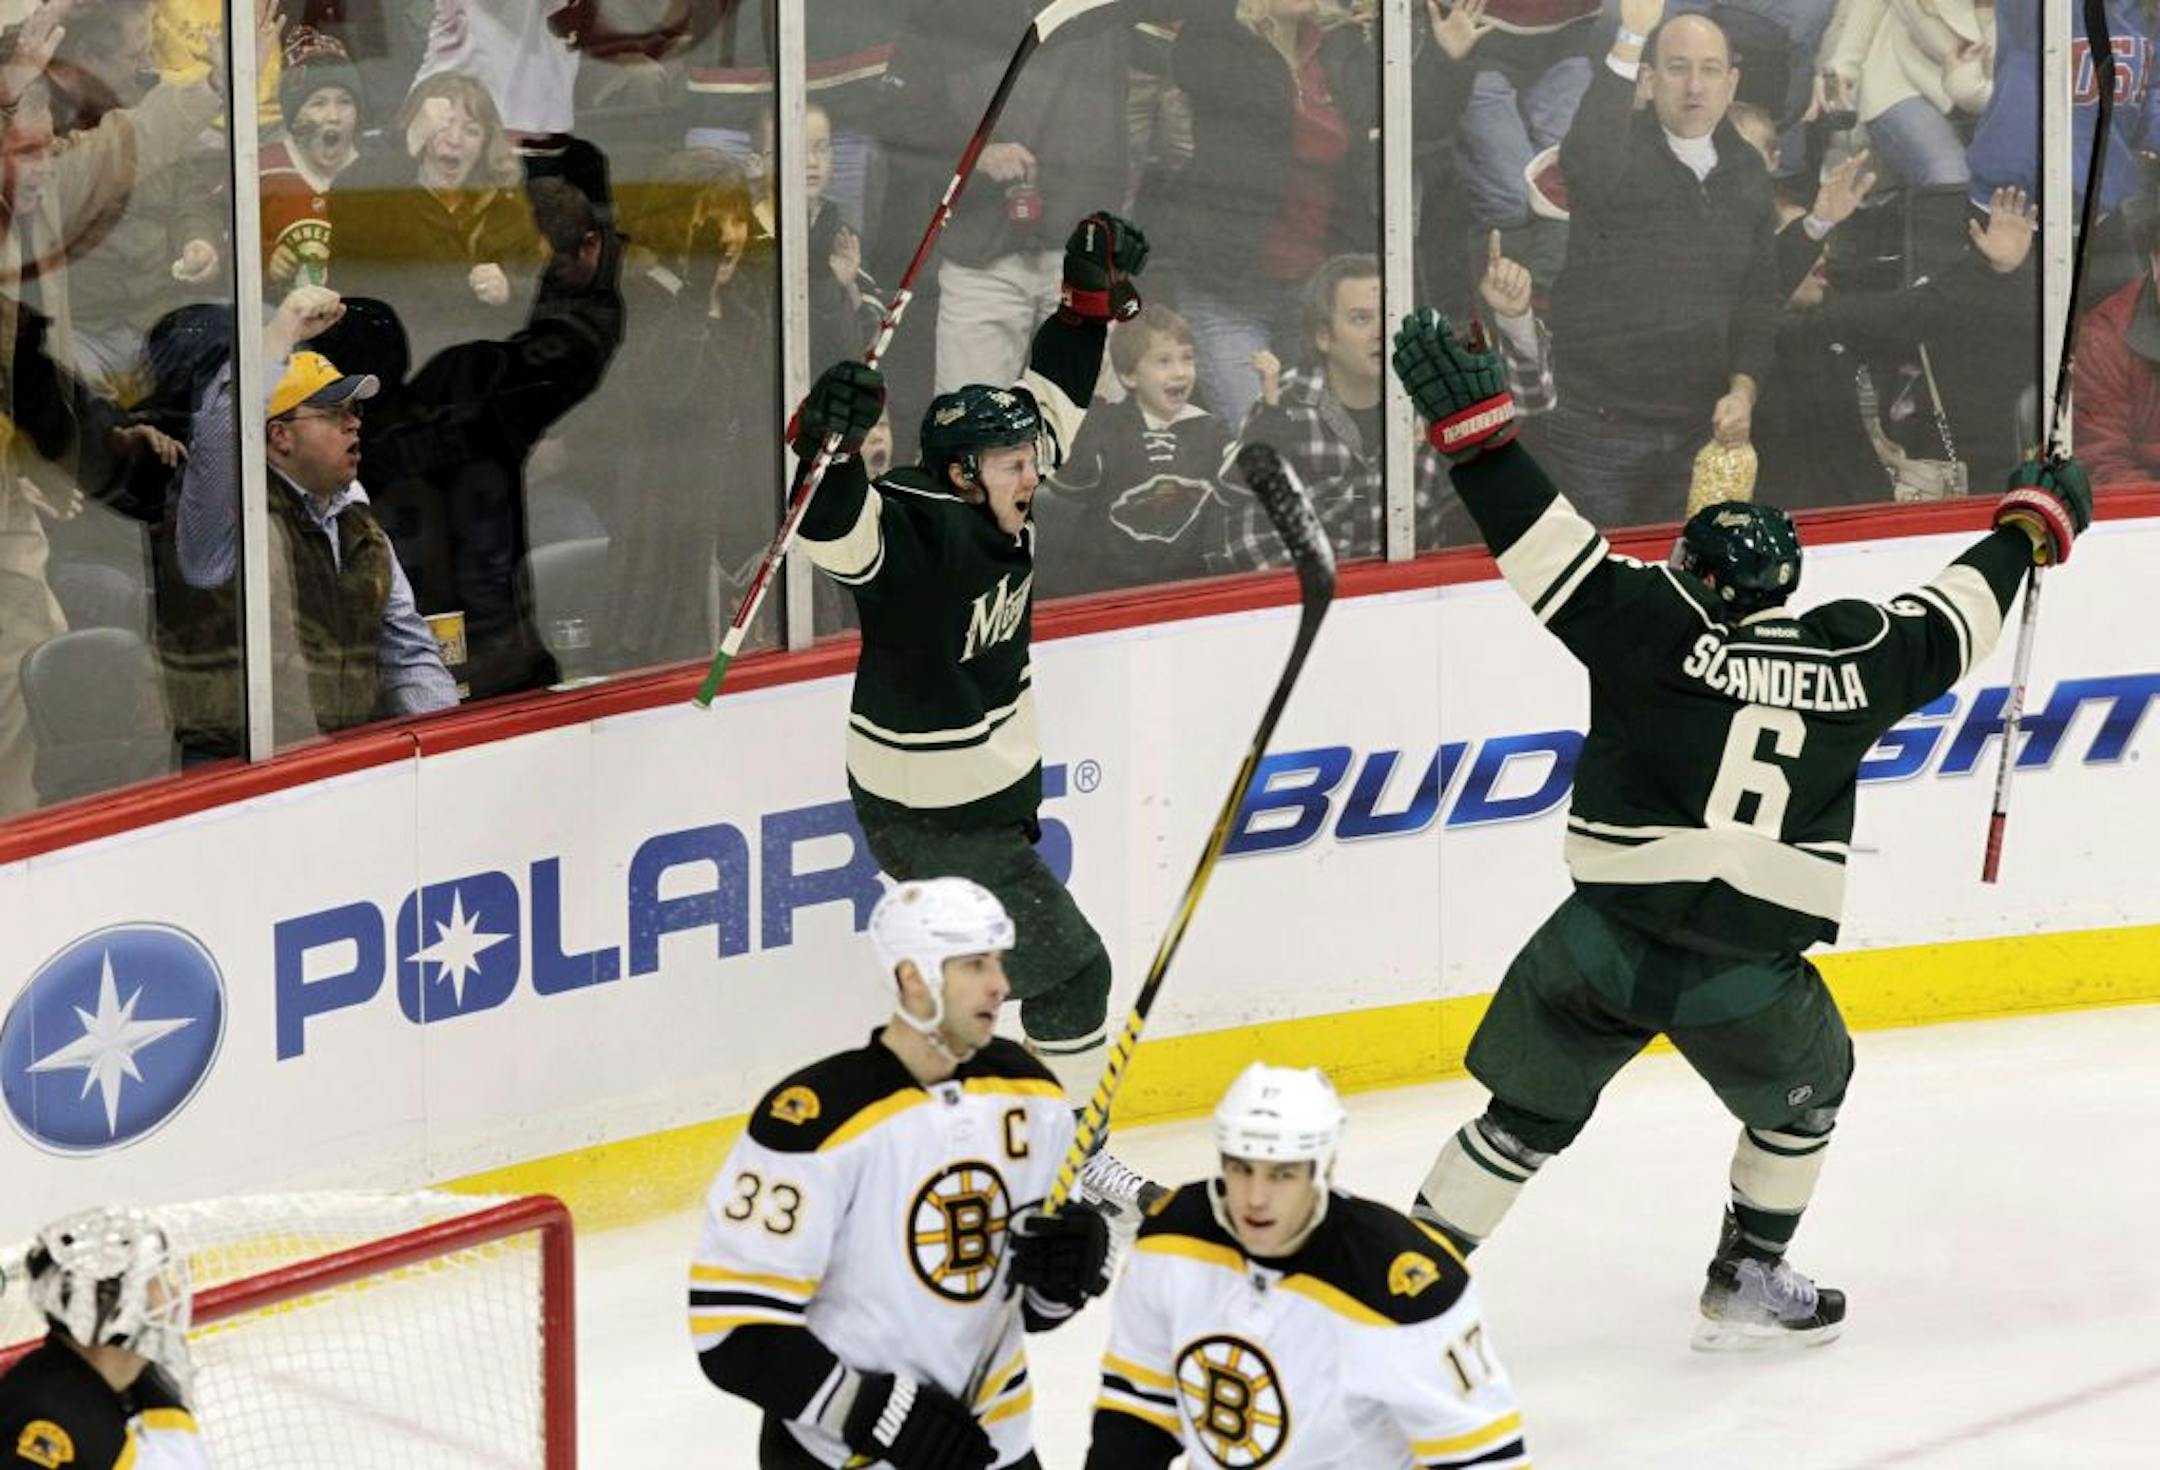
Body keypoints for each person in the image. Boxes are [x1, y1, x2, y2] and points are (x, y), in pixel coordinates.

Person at [1389, 305, 2092, 1348]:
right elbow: (1955, 616)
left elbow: (1544, 545)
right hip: (1745, 970)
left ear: (1695, 574)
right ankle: (1750, 1269)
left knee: (1518, 1124)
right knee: (1806, 1101)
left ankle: (1397, 1286)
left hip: (1606, 939)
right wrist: (2028, 528)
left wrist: (1483, 445)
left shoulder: (1649, 622)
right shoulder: (1856, 659)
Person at [792, 208, 1165, 1218]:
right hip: (930, 814)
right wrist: (825, 446)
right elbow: (833, 532)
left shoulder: (1001, 479)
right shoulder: (914, 529)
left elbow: (1054, 396)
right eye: (1012, 467)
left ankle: (981, 1147)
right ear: (961, 474)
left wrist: (1086, 305)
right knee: (1074, 974)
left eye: (1027, 462)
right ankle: (1064, 1161)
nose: (1033, 475)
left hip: (986, 803)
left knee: (979, 993)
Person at [690, 877, 1113, 1470]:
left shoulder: (1032, 1096)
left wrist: (1063, 1278)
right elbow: (732, 1328)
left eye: (996, 961)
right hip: (841, 1456)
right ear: (914, 977)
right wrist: (880, 1416)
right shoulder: (815, 1120)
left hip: (993, 1448)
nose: (1000, 984)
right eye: (975, 965)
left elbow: (1020, 1308)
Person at [1084, 1063, 1531, 1469]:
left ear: (1323, 1169)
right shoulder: (1172, 1239)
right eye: (1241, 1169)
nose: (1256, 1198)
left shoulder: (1402, 1287)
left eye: (1281, 1175)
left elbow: (1486, 1460)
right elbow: (1139, 1410)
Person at [154, 286, 457, 759]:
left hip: (341, 762)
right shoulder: (227, 520)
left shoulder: (355, 515)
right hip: (235, 774)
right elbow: (219, 432)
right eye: (334, 413)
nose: (354, 424)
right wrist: (279, 334)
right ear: (279, 436)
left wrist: (444, 753)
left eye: (354, 411)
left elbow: (409, 652)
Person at [1538, 0, 1781, 528]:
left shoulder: (1748, 172)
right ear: (1648, 80)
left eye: (1710, 70)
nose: (1694, 86)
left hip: (1699, 431)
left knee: (1685, 576)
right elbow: (1584, 154)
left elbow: (1759, 300)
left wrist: (1742, 392)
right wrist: (1631, 35)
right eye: (1677, 68)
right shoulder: (1614, 152)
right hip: (1599, 432)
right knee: (1595, 579)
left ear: (1732, 84)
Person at [1221, 254, 1478, 565]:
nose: (1381, 331)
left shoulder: (1433, 395)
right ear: (1323, 336)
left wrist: (1511, 320)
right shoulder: (1283, 406)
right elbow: (1247, 537)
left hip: (1421, 589)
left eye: (1390, 315)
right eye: (1361, 319)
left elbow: (1509, 438)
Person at [1036, 302, 1234, 596]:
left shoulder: (1212, 431)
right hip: (1103, 591)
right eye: (1163, 361)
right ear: (1129, 376)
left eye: (1187, 358)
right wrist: (1092, 404)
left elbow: (1245, 487)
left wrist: (1270, 410)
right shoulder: (1108, 426)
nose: (1180, 372)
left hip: (1181, 591)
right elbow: (1071, 484)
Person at [0, 1206, 211, 1469]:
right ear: (109, 1301)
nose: (174, 1293)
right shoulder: (42, 1417)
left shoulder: (150, 1389)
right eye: (155, 1280)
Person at [259, 26, 366, 296]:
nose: (334, 116)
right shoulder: (262, 170)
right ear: (294, 117)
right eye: (318, 103)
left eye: (345, 102)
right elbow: (222, 235)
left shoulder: (373, 172)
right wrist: (265, 258)